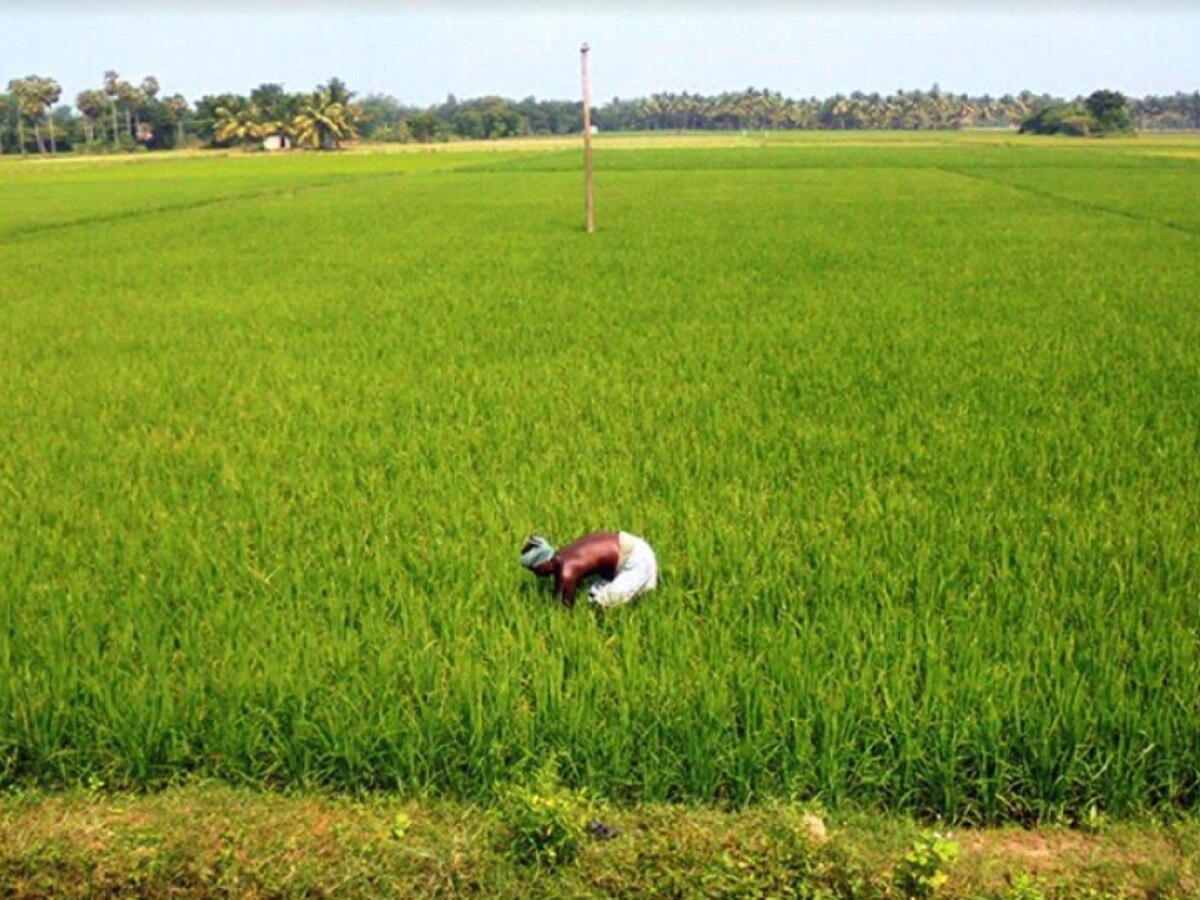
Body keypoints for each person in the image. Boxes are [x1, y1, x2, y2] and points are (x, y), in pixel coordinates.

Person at [520, 531, 658, 609]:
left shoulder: (566, 570)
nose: (537, 575)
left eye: (536, 570)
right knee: (591, 595)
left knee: (602, 602)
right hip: (634, 546)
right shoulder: (563, 555)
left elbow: (563, 610)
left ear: (543, 563)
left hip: (636, 561)